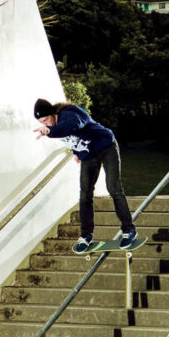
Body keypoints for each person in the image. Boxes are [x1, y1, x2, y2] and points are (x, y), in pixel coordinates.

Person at [33, 98, 137, 253]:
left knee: (113, 187)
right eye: (42, 122)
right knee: (85, 194)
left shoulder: (71, 113)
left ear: (53, 114)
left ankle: (129, 230)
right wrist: (77, 152)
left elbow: (72, 126)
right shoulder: (54, 126)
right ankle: (86, 235)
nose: (46, 124)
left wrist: (50, 132)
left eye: (47, 119)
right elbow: (73, 138)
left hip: (106, 147)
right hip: (89, 156)